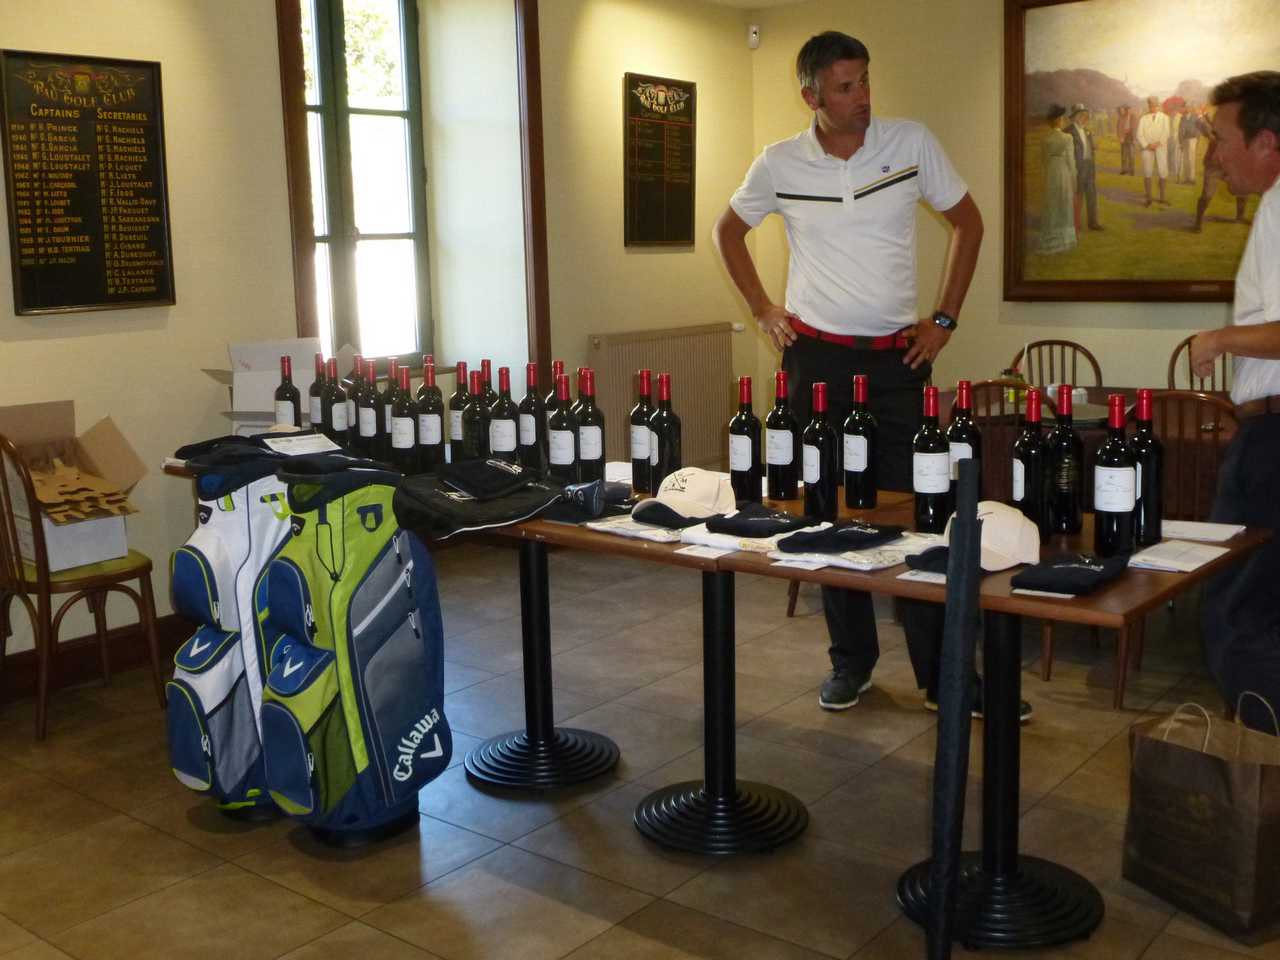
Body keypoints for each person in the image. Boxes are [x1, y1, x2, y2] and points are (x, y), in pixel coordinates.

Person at [712, 31, 984, 711]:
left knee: (918, 510)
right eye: (845, 86)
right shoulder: (779, 162)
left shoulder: (910, 142)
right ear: (812, 96)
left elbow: (969, 224)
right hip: (818, 360)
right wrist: (763, 308)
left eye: (864, 81)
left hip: (899, 360)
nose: (862, 96)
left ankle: (942, 676)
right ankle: (852, 662)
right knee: (829, 508)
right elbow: (727, 231)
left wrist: (944, 319)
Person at [1188, 72, 1280, 733]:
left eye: (1222, 139)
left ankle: (1262, 774)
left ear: (1266, 142)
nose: (1215, 155)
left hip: (1273, 441)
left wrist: (1219, 339)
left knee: (1236, 613)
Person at [1194, 105, 1249, 231]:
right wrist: (1201, 118)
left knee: (1243, 189)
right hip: (1214, 165)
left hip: (1230, 165)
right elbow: (1208, 129)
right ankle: (1198, 222)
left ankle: (1240, 217)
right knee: (1207, 195)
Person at [1038, 104, 1077, 254]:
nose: (1063, 120)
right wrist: (1073, 176)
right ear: (1059, 120)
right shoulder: (1067, 138)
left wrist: (1048, 171)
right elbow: (1071, 161)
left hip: (1051, 172)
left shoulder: (1046, 139)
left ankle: (1051, 238)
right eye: (1062, 118)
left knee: (1052, 203)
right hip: (1063, 171)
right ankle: (1064, 240)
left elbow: (1044, 160)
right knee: (1064, 202)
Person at [1067, 103, 1102, 231]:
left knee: (1092, 195)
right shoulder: (1068, 132)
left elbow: (1088, 147)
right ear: (1074, 117)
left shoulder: (1087, 131)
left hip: (1089, 166)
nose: (1084, 117)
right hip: (1077, 168)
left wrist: (1093, 147)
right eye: (1081, 115)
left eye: (1084, 115)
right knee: (1077, 196)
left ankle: (1093, 223)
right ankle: (1075, 224)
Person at [1137, 95, 1172, 206]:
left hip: (1160, 147)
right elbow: (1139, 134)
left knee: (1162, 171)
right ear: (1149, 106)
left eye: (1155, 106)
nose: (1153, 108)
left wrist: (1157, 144)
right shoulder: (1143, 118)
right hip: (1147, 148)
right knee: (1147, 172)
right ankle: (1149, 198)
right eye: (1151, 106)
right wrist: (1147, 145)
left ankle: (1162, 198)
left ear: (1158, 106)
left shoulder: (1165, 118)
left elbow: (1166, 133)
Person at [1117, 104, 1137, 176]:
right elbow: (1118, 128)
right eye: (1126, 110)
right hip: (1124, 137)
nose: (1128, 111)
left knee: (1131, 155)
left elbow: (1135, 128)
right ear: (1125, 110)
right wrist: (1120, 137)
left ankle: (1132, 171)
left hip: (1131, 137)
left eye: (1129, 110)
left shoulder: (1134, 117)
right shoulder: (1121, 117)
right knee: (1124, 155)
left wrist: (1134, 139)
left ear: (1131, 110)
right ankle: (1124, 170)